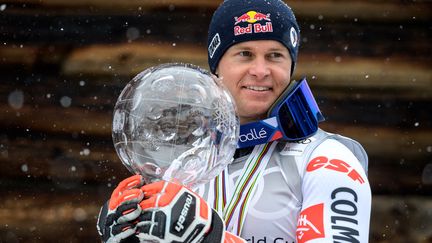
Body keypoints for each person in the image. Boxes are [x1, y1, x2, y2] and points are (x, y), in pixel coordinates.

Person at [97, 0, 372, 242]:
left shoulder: (327, 159)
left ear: (290, 66)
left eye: (275, 55)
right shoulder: (186, 162)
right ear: (216, 67)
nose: (261, 71)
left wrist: (212, 238)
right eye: (245, 54)